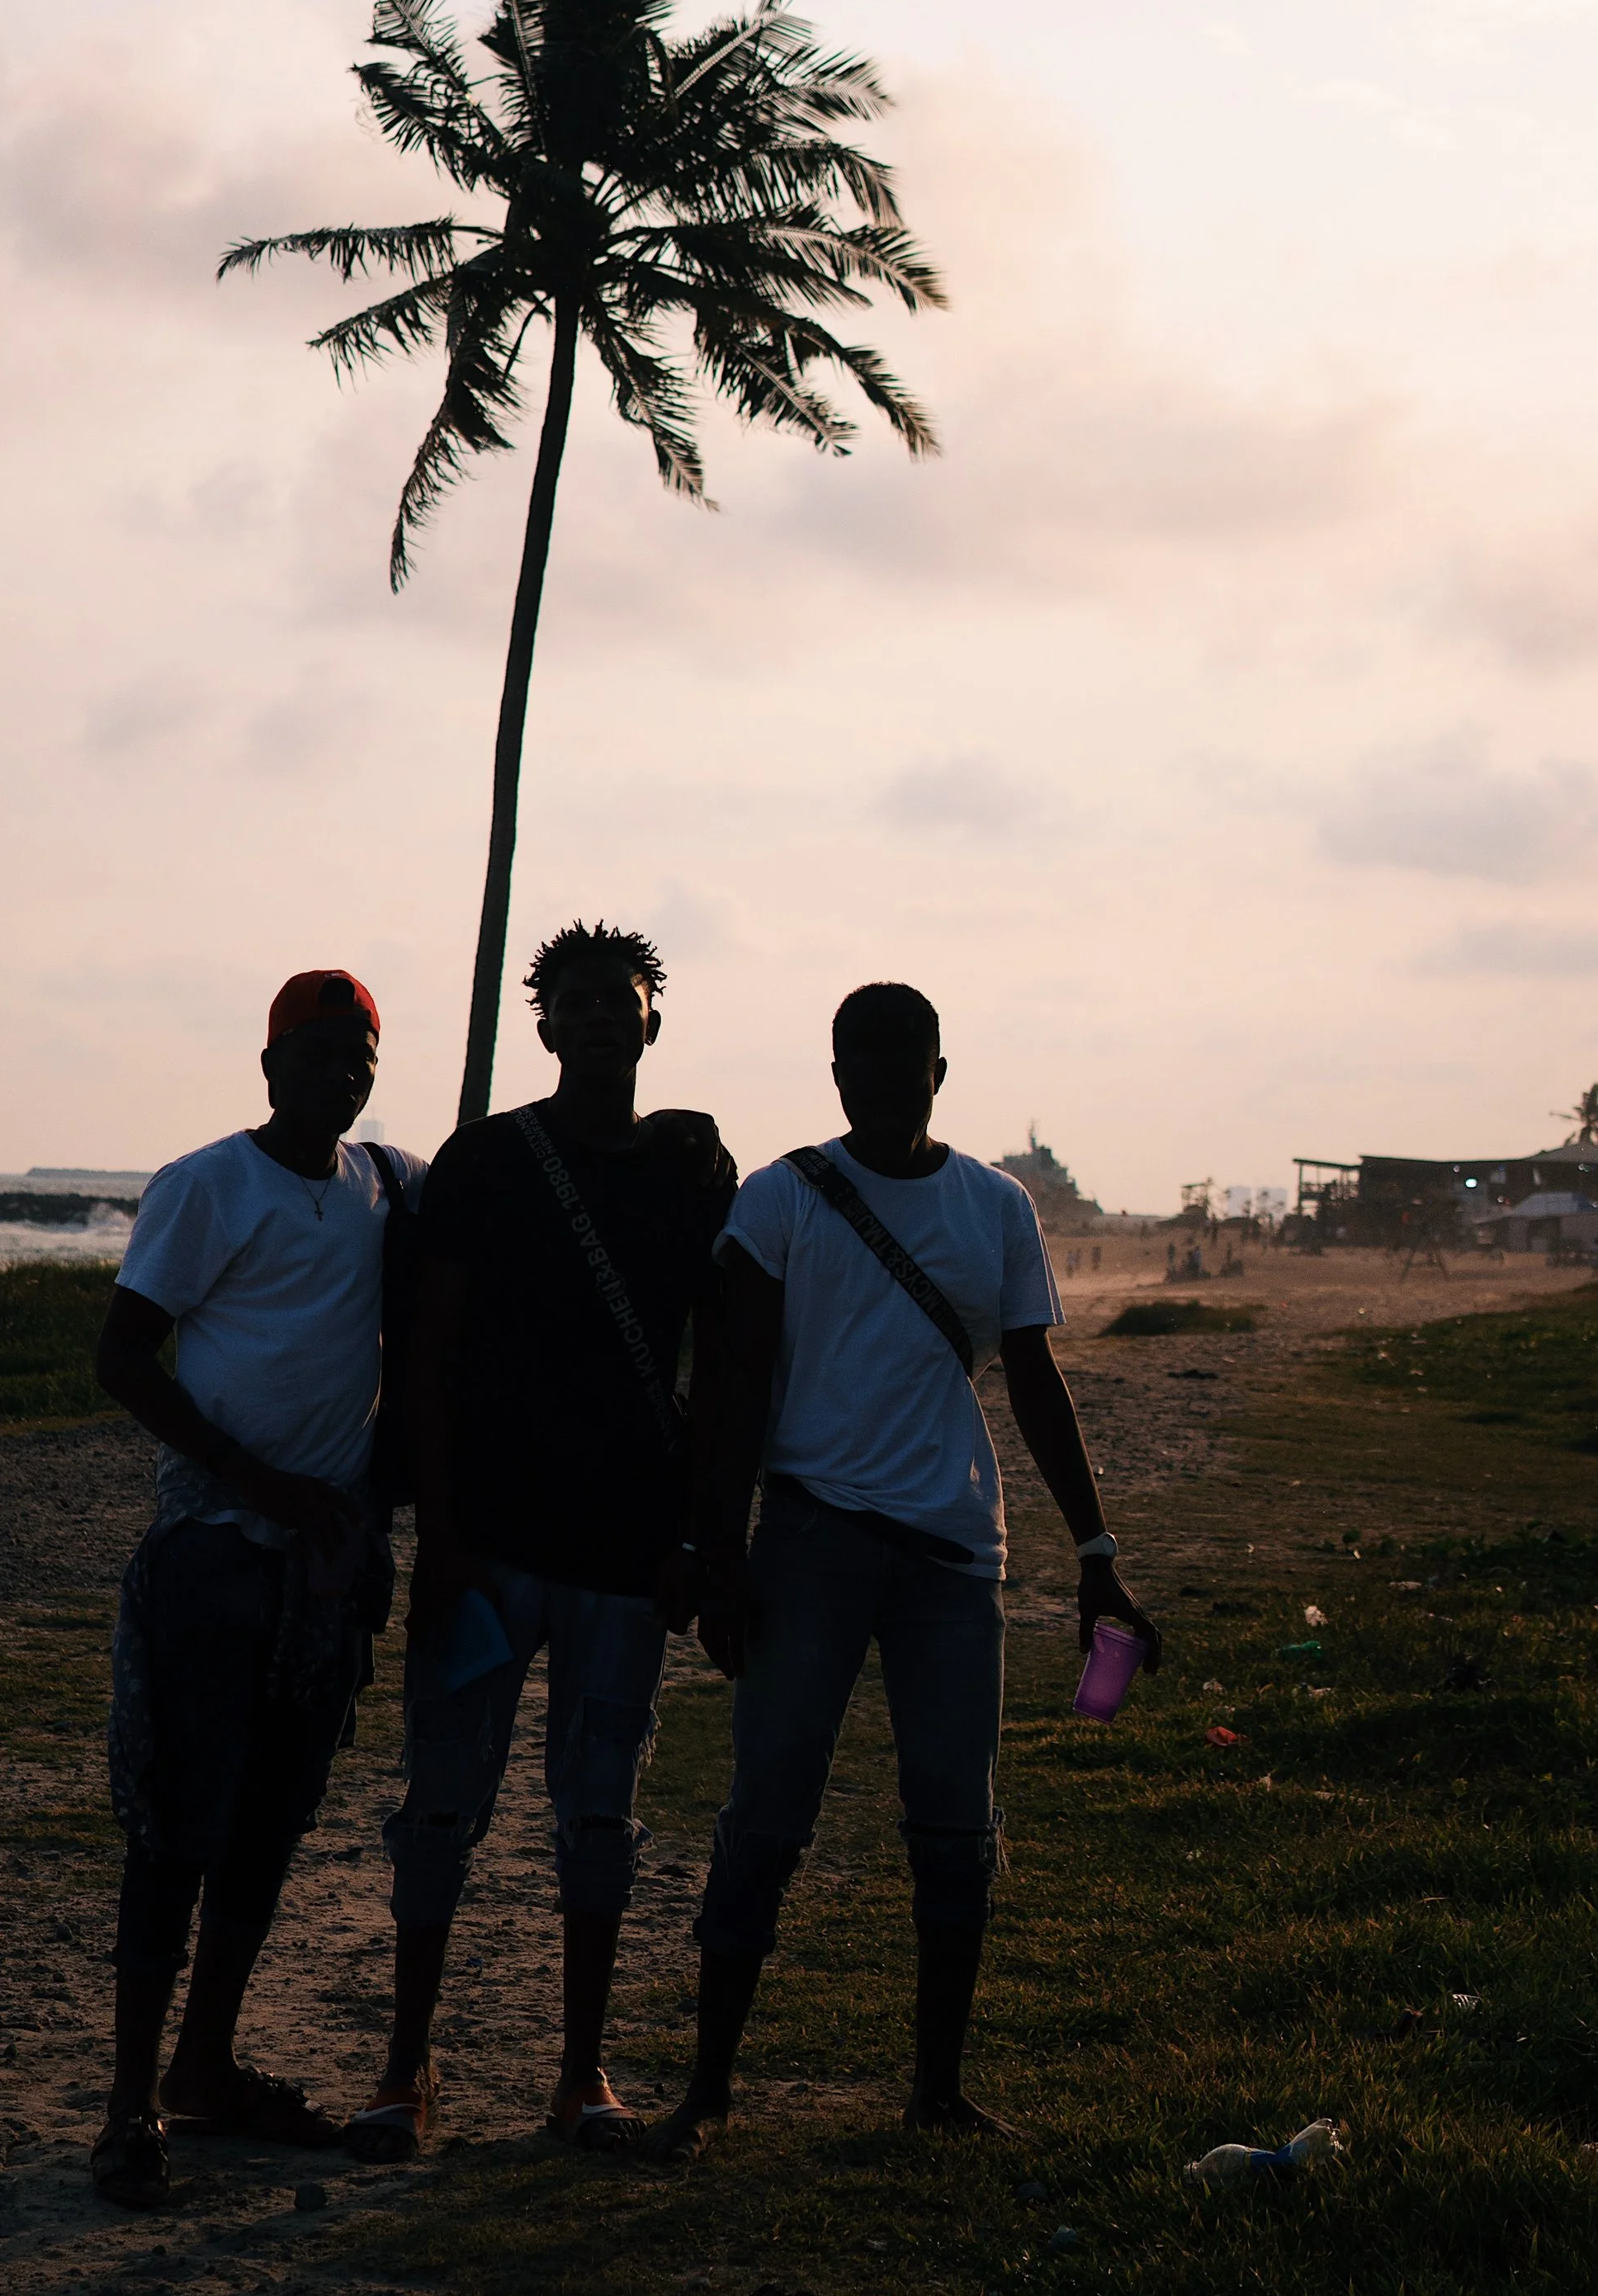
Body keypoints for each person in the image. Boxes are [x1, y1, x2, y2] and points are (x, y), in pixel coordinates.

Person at [659, 980, 1157, 2157]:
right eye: (862, 1069)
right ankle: (707, 2091)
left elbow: (1034, 1381)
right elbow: (732, 1390)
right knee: (765, 1814)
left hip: (951, 1557)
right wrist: (720, 1555)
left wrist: (1097, 1555)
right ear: (836, 1078)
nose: (883, 1087)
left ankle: (936, 2087)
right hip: (814, 1540)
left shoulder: (996, 1208)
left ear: (941, 1071)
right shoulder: (781, 1199)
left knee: (955, 1824)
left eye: (905, 1067)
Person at [344, 921, 735, 2161]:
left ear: (651, 1024)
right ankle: (409, 2068)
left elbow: (720, 1371)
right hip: (493, 1544)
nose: (605, 1021)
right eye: (579, 1003)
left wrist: (696, 1540)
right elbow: (430, 1354)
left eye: (623, 1003)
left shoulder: (691, 1175)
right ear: (547, 1024)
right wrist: (441, 1532)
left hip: (626, 1555)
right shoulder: (488, 1163)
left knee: (600, 1819)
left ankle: (582, 2074)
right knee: (441, 1806)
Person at [87, 968, 425, 2209]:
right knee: (179, 1820)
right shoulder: (206, 1184)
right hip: (216, 1550)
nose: (343, 1074)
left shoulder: (385, 1187)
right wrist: (250, 1476)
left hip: (322, 1569)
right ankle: (129, 2104)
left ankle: (207, 2063)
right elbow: (123, 1355)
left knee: (271, 1822)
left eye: (362, 1057)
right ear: (271, 1064)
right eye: (321, 1052)